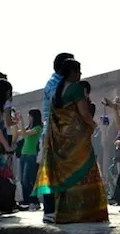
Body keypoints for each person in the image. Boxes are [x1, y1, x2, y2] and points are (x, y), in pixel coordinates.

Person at [33, 59, 108, 224]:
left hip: (60, 141)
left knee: (63, 176)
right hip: (77, 140)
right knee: (85, 171)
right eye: (79, 71)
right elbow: (84, 113)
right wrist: (93, 124)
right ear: (73, 72)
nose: (80, 74)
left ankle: (61, 212)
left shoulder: (56, 92)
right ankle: (83, 213)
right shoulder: (76, 88)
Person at [40, 52, 74, 223]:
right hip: (54, 133)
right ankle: (50, 210)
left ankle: (55, 210)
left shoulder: (56, 83)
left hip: (56, 132)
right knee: (53, 173)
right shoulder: (56, 84)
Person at [15, 109, 43, 210]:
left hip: (31, 155)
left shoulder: (38, 128)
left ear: (34, 117)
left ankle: (34, 201)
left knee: (30, 180)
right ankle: (26, 202)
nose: (28, 118)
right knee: (23, 180)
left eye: (29, 116)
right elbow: (19, 132)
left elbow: (24, 133)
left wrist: (21, 121)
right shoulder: (28, 127)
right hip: (23, 155)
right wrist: (16, 122)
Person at [0, 79, 16, 214]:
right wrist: (7, 146)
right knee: (5, 174)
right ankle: (7, 205)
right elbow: (7, 122)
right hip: (2, 143)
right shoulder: (6, 103)